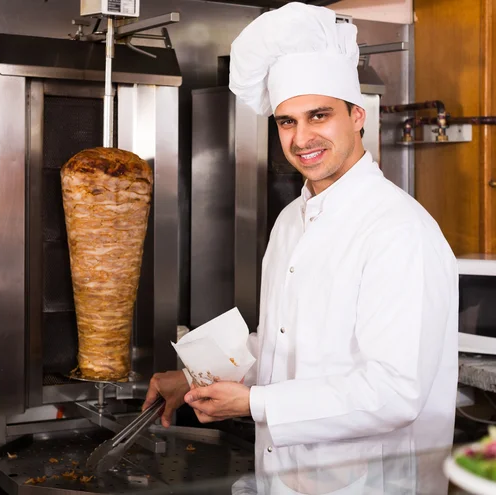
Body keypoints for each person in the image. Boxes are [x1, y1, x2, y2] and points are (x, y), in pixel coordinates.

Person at [143, 3, 458, 493]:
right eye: (287, 122)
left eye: (319, 116)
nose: (302, 138)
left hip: (368, 484)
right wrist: (194, 377)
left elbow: (395, 393)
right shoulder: (293, 219)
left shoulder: (398, 231)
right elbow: (281, 342)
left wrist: (252, 405)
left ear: (357, 117)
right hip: (287, 479)